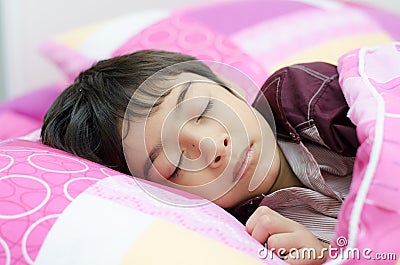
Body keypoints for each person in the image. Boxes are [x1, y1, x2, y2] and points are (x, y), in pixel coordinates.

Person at [41, 50, 358, 264]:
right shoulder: (250, 238)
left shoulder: (310, 98)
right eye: (176, 165)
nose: (212, 146)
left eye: (204, 109)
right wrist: (327, 256)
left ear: (232, 89)